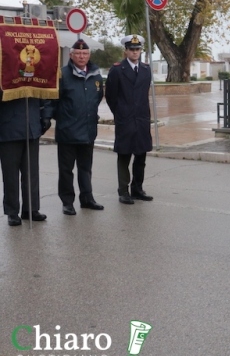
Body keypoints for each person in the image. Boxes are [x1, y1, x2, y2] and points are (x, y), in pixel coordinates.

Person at [48, 39, 105, 215]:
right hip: (68, 131)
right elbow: (53, 101)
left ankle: (87, 198)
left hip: (88, 130)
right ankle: (67, 202)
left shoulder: (96, 75)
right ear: (71, 55)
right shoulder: (62, 74)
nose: (82, 56)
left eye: (85, 54)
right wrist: (64, 118)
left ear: (89, 55)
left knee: (86, 168)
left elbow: (97, 98)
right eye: (78, 53)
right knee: (66, 170)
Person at [105, 34, 154, 205]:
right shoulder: (118, 70)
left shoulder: (146, 69)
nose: (135, 52)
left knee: (141, 156)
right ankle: (124, 191)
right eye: (131, 49)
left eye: (138, 49)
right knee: (124, 156)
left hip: (141, 119)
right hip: (125, 119)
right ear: (125, 51)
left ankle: (138, 188)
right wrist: (120, 113)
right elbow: (110, 96)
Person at [0, 94, 50, 226]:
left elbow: (44, 93)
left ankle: (31, 209)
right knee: (11, 175)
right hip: (9, 128)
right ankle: (12, 212)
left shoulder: (35, 72)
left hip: (32, 126)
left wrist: (45, 115)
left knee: (31, 173)